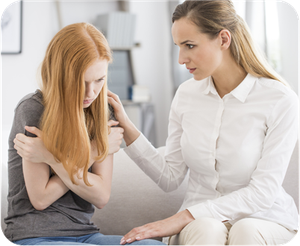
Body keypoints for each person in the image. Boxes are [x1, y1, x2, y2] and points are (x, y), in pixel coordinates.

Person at [107, 0, 299, 245]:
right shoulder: (186, 95)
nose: (181, 59)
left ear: (223, 39)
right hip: (200, 226)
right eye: (178, 46)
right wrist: (127, 127)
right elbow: (170, 177)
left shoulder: (280, 99)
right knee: (207, 229)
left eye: (189, 45)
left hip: (265, 218)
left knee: (246, 230)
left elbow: (263, 193)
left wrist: (180, 218)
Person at [4, 22, 164, 246]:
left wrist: (51, 158)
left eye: (99, 80)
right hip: (35, 235)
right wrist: (94, 151)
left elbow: (100, 196)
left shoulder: (102, 111)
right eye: (81, 82)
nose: (91, 93)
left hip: (86, 235)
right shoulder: (33, 110)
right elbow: (40, 198)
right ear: (60, 76)